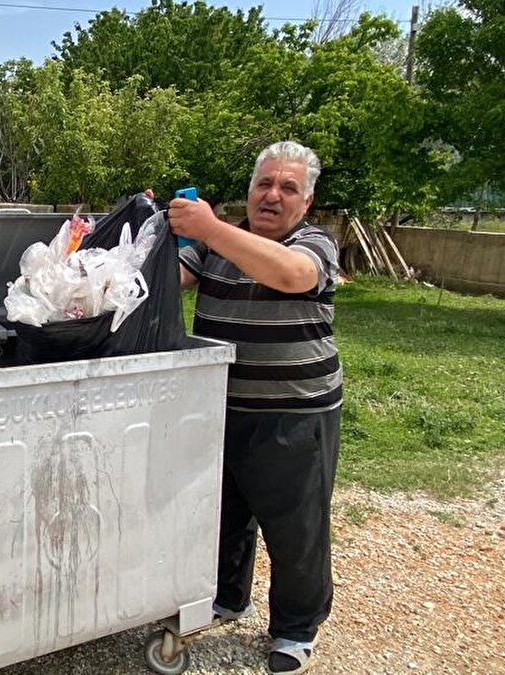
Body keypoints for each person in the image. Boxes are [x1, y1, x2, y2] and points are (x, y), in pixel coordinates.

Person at [168, 141, 341, 675]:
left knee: (295, 528)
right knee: (224, 514)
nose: (273, 196)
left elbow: (291, 276)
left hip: (294, 411)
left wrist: (211, 227)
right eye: (264, 184)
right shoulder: (212, 245)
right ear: (249, 191)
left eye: (288, 188)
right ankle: (226, 597)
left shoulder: (314, 243)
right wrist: (145, 233)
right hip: (217, 404)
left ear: (306, 202)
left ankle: (295, 629)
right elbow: (170, 279)